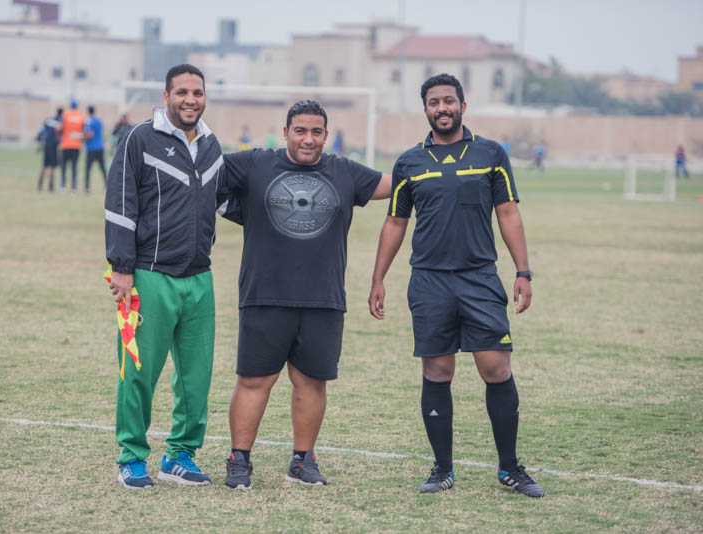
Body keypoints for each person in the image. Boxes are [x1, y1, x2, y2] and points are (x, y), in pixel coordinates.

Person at [368, 73, 544, 498]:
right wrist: (378, 278)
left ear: (462, 106)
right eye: (434, 102)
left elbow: (508, 213)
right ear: (425, 109)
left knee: (496, 368)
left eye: (448, 100)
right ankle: (442, 469)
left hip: (479, 277)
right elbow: (395, 222)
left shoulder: (490, 154)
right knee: (437, 371)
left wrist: (523, 271)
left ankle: (509, 468)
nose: (442, 108)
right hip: (429, 281)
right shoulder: (409, 162)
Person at [219, 100, 391, 490]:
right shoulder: (255, 164)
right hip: (264, 294)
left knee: (312, 382)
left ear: (326, 135)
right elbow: (204, 171)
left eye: (316, 132)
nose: (308, 139)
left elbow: (398, 185)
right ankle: (239, 459)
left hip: (323, 298)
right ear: (285, 133)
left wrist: (430, 168)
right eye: (300, 131)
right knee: (254, 381)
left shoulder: (345, 171)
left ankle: (302, 460)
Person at [105, 64, 228, 490]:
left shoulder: (211, 145)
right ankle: (131, 458)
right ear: (166, 97)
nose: (191, 100)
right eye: (182, 92)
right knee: (138, 371)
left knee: (196, 377)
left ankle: (180, 455)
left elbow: (224, 200)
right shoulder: (139, 139)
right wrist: (122, 268)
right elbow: (120, 203)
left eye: (198, 92)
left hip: (199, 278)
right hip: (149, 276)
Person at [57, 100, 85, 193]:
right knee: (74, 167)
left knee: (64, 167)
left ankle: (62, 187)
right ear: (77, 106)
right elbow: (84, 131)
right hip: (76, 146)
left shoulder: (65, 115)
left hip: (65, 145)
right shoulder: (81, 116)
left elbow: (59, 128)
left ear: (70, 106)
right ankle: (74, 187)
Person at [36, 107, 62, 192]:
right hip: (53, 146)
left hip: (46, 145)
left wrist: (39, 143)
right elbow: (58, 131)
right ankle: (50, 187)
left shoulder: (49, 120)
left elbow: (41, 131)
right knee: (52, 167)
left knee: (44, 165)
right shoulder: (60, 121)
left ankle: (39, 185)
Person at [84, 105, 106, 194]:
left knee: (88, 168)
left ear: (88, 111)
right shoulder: (99, 120)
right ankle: (107, 186)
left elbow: (90, 134)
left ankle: (87, 188)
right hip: (100, 147)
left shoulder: (88, 121)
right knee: (103, 168)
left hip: (91, 148)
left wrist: (82, 137)